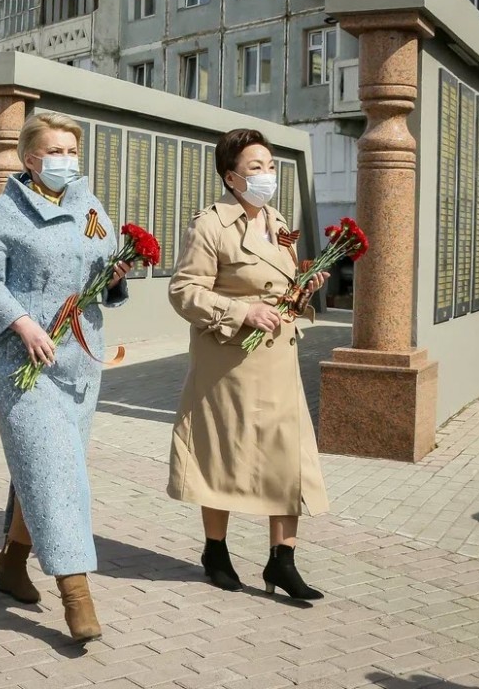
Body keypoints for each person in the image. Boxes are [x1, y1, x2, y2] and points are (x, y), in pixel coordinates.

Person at [0, 111, 131, 643]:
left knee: (44, 469)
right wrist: (21, 324)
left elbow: (100, 267)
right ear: (30, 158)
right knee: (56, 469)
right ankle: (76, 594)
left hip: (79, 361)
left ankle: (13, 561)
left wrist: (113, 276)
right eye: (54, 151)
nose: (65, 159)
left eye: (71, 150)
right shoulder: (5, 213)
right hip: (21, 364)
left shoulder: (89, 205)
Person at [167, 128, 330, 601]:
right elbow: (184, 291)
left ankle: (283, 560)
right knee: (224, 453)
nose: (267, 175)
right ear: (231, 176)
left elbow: (281, 285)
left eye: (271, 166)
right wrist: (242, 311)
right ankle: (215, 552)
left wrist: (304, 286)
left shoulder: (279, 221)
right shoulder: (210, 225)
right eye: (255, 167)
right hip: (228, 361)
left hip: (278, 357)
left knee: (287, 453)